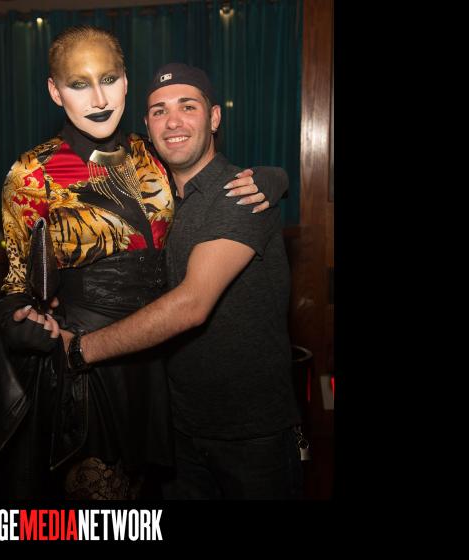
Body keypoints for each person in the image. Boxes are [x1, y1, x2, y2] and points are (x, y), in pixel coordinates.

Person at [0, 28, 287, 501]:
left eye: (108, 79)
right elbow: (17, 283)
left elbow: (202, 168)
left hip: (159, 371)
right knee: (101, 515)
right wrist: (21, 325)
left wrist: (271, 178)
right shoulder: (32, 173)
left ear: (125, 83)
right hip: (85, 368)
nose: (98, 99)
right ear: (55, 91)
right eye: (79, 84)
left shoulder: (150, 155)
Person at [57, 63, 303, 499]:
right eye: (159, 111)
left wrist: (79, 350)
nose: (173, 121)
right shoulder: (152, 204)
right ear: (148, 128)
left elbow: (191, 305)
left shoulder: (241, 194)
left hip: (251, 436)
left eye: (188, 107)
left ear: (214, 118)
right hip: (176, 431)